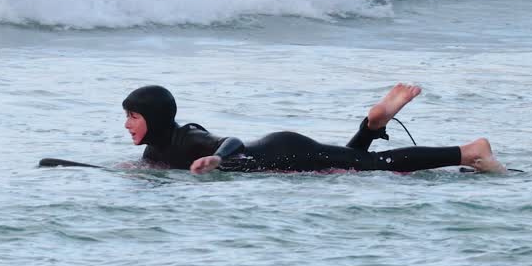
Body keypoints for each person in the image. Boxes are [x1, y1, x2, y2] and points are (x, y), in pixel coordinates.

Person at [122, 83, 505, 175]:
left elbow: (232, 141)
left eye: (134, 117)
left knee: (379, 166)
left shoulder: (186, 135)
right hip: (282, 156)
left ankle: (470, 150)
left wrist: (216, 158)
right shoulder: (154, 151)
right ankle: (373, 123)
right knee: (355, 160)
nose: (128, 124)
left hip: (280, 152)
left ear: (155, 117)